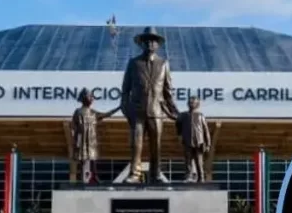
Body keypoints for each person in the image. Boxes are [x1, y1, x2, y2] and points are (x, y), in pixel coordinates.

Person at [120, 27, 179, 183]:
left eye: (153, 41)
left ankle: (156, 173)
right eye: (147, 41)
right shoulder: (133, 63)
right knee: (136, 144)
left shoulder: (164, 63)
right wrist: (126, 108)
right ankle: (134, 174)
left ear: (157, 45)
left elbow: (168, 91)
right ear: (142, 44)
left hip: (156, 111)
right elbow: (125, 89)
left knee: (156, 145)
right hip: (137, 111)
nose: (150, 43)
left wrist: (175, 112)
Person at [70, 88, 120, 183]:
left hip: (91, 140)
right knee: (83, 160)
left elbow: (106, 114)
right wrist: (76, 139)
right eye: (90, 97)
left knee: (93, 158)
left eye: (92, 97)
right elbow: (73, 126)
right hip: (82, 140)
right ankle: (82, 177)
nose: (92, 99)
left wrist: (119, 108)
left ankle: (94, 175)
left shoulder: (93, 113)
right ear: (84, 98)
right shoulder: (78, 112)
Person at [176, 96, 212, 182]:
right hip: (187, 142)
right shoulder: (183, 115)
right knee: (188, 161)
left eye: (193, 102)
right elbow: (178, 126)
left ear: (197, 104)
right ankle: (188, 176)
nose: (191, 103)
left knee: (199, 161)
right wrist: (180, 136)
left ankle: (201, 177)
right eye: (190, 102)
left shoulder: (200, 115)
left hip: (198, 142)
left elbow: (206, 130)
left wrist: (208, 144)